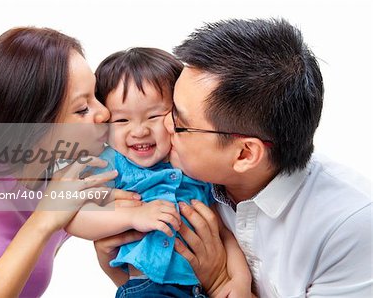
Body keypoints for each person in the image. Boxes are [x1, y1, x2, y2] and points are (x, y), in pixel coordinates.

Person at [94, 19, 372, 297]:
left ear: (244, 154)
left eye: (178, 121)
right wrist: (119, 272)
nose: (163, 127)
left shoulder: (348, 227)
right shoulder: (188, 176)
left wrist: (216, 281)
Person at [0, 27, 138, 297]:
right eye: (82, 109)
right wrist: (44, 219)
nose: (104, 113)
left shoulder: (58, 178)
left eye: (95, 96)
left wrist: (114, 270)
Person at [65, 47, 251, 297]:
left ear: (177, 115)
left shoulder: (194, 165)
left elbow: (224, 234)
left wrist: (241, 280)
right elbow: (74, 217)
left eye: (154, 116)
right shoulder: (111, 164)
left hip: (201, 288)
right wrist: (133, 217)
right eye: (122, 121)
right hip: (146, 288)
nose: (139, 131)